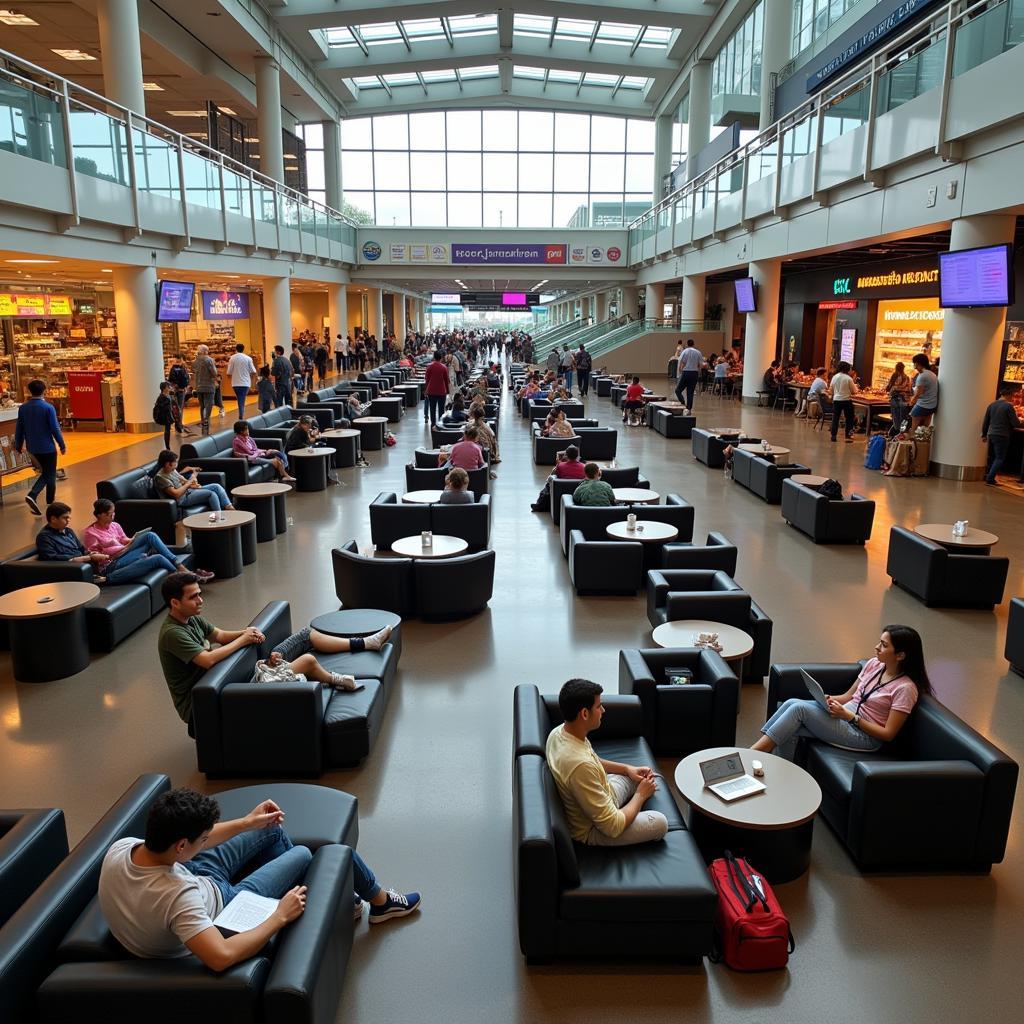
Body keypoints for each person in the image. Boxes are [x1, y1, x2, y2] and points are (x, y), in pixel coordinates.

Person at [97, 787, 421, 971]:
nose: (206, 840)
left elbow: (192, 848)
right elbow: (219, 956)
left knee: (271, 829)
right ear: (182, 845)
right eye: (202, 838)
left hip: (194, 875)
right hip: (225, 905)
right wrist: (279, 916)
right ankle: (379, 903)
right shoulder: (176, 899)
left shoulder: (124, 848)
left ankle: (343, 899)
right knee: (305, 855)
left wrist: (248, 822)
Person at [157, 572, 393, 728]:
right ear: (175, 603)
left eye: (200, 594)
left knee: (305, 635)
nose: (200, 601)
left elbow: (219, 635)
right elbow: (207, 660)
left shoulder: (192, 619)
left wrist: (247, 632)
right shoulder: (173, 633)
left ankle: (364, 643)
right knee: (308, 660)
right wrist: (243, 641)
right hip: (208, 702)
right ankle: (334, 679)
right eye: (193, 597)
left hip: (239, 674)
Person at [752, 626, 931, 758]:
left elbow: (888, 734)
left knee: (799, 710)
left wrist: (850, 717)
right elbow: (849, 697)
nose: (877, 647)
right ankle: (777, 771)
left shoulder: (905, 688)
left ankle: (749, 755)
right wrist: (827, 699)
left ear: (900, 655)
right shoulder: (874, 665)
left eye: (884, 645)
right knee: (790, 704)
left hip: (865, 737)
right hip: (845, 717)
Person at [546, 679, 667, 847]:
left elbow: (594, 761)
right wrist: (640, 795)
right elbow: (613, 826)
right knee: (661, 823)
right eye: (598, 706)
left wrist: (627, 769)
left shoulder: (560, 733)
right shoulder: (579, 766)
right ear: (585, 714)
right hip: (594, 830)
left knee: (639, 777)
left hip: (602, 796)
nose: (603, 710)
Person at [83, 498, 212, 584]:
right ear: (99, 515)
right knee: (153, 546)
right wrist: (113, 551)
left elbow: (124, 539)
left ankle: (184, 572)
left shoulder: (115, 525)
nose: (113, 516)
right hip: (111, 563)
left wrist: (133, 539)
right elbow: (94, 557)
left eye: (114, 513)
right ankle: (186, 573)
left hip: (126, 552)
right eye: (109, 514)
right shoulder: (91, 532)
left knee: (149, 537)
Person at [14, 378, 66, 517]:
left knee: (48, 472)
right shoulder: (48, 408)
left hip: (32, 448)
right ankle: (34, 494)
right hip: (47, 447)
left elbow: (19, 428)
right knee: (49, 473)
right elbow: (55, 428)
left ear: (29, 391)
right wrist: (62, 444)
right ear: (44, 390)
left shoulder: (23, 408)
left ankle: (50, 500)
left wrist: (18, 445)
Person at [153, 450, 234, 513]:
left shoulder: (171, 470)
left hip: (189, 491)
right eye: (175, 462)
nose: (176, 465)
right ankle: (219, 519)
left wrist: (193, 481)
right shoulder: (160, 478)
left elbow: (183, 480)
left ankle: (230, 509)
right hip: (182, 499)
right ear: (167, 464)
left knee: (216, 486)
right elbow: (176, 494)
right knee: (211, 494)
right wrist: (189, 483)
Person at [981, 386, 1022, 486]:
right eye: (1012, 396)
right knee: (1000, 458)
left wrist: (984, 434)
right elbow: (1016, 423)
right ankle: (990, 479)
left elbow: (986, 420)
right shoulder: (1008, 406)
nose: (1013, 398)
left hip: (992, 433)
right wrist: (1021, 421)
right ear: (1008, 395)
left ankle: (989, 475)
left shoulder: (992, 405)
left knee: (992, 457)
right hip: (1002, 434)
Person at [530, 444, 585, 512]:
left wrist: (557, 464)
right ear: (577, 456)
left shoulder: (560, 465)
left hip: (561, 490)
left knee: (548, 485)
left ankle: (539, 505)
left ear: (566, 455)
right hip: (577, 490)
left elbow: (556, 476)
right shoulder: (583, 466)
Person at [827, 360, 858, 442]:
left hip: (836, 400)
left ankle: (833, 436)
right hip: (846, 400)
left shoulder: (835, 377)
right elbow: (854, 391)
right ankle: (848, 435)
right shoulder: (848, 379)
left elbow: (831, 389)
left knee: (835, 418)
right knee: (849, 418)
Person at [226, 344, 258, 420]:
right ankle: (241, 414)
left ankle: (241, 413)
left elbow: (229, 372)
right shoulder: (248, 358)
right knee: (242, 398)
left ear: (236, 349)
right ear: (243, 349)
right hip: (246, 383)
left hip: (235, 383)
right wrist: (252, 380)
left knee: (240, 398)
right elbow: (253, 371)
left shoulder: (232, 358)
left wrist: (231, 377)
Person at [192, 345, 218, 435]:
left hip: (199, 386)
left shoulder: (195, 361)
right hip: (208, 386)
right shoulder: (209, 360)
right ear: (205, 351)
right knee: (209, 405)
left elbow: (194, 374)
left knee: (202, 405)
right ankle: (206, 421)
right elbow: (214, 373)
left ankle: (203, 421)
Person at [675, 339, 705, 412]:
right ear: (693, 344)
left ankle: (682, 403)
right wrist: (699, 372)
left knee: (678, 390)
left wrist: (680, 372)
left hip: (686, 372)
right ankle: (689, 408)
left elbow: (681, 362)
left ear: (687, 344)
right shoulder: (698, 352)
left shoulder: (685, 351)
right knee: (690, 392)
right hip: (694, 373)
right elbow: (701, 364)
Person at [909, 352, 938, 428]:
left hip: (923, 405)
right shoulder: (932, 374)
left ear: (918, 363)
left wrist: (911, 401)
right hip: (932, 405)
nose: (914, 367)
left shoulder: (922, 376)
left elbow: (919, 392)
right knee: (924, 428)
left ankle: (913, 439)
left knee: (913, 428)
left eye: (914, 364)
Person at [423, 351, 450, 427]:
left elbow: (427, 380)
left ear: (434, 357)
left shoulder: (429, 367)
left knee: (432, 409)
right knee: (441, 409)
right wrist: (447, 391)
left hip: (431, 391)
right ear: (441, 358)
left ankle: (433, 425)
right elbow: (446, 381)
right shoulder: (444, 367)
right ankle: (440, 425)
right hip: (442, 391)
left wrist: (425, 390)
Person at [167, 361, 192, 437]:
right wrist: (184, 387)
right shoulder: (182, 369)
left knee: (174, 408)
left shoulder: (173, 369)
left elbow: (171, 379)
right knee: (180, 408)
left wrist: (175, 386)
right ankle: (179, 425)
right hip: (181, 390)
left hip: (175, 390)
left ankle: (176, 425)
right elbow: (186, 380)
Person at [153, 381, 177, 450]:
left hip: (167, 415)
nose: (169, 388)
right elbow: (162, 407)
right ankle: (167, 446)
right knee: (167, 431)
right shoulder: (161, 397)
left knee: (167, 430)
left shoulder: (167, 395)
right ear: (164, 388)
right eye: (168, 387)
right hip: (164, 416)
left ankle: (168, 446)